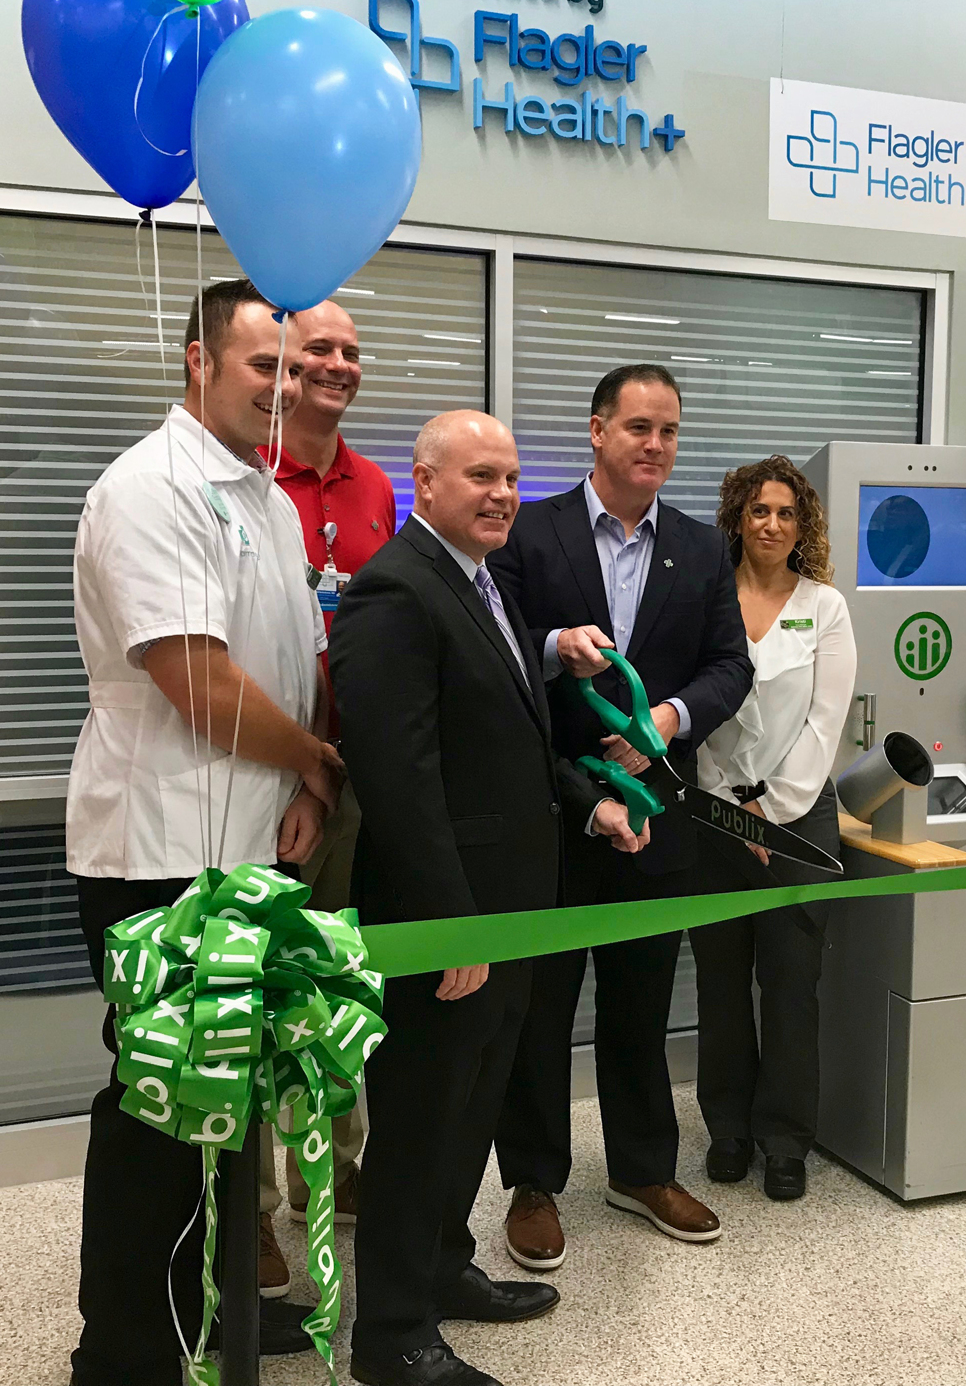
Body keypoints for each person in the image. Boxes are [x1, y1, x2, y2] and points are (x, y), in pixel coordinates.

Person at [328, 410, 650, 1386]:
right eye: (479, 477)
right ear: (423, 483)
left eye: (509, 478)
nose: (502, 494)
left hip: (515, 911)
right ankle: (390, 1336)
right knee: (420, 1122)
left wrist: (589, 807)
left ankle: (442, 1268)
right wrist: (448, 921)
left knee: (469, 1115)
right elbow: (397, 778)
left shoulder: (482, 587)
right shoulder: (394, 590)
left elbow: (512, 744)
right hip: (450, 922)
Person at [65, 278, 340, 1384]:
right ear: (196, 362)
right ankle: (126, 1351)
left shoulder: (265, 498)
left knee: (231, 1103)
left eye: (292, 367)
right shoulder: (151, 487)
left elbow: (287, 666)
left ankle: (215, 1310)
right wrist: (316, 762)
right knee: (157, 1108)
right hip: (159, 854)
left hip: (251, 846)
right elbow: (198, 680)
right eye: (260, 365)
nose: (282, 387)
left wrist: (308, 791)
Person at [489, 364, 753, 1268]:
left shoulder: (700, 547)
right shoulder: (530, 532)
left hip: (656, 818)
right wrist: (553, 648)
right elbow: (492, 655)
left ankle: (641, 1170)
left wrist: (668, 723)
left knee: (641, 1007)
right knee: (540, 1010)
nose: (655, 445)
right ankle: (532, 1181)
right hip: (553, 818)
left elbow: (731, 666)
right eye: (639, 427)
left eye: (670, 430)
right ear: (597, 431)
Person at [254, 296, 397, 1292]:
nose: (337, 366)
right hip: (248, 780)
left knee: (334, 989)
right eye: (318, 351)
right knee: (256, 1000)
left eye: (349, 351)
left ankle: (333, 1174)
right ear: (277, 366)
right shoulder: (241, 479)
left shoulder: (377, 485)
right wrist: (294, 761)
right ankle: (256, 1210)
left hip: (350, 780)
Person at [689, 456, 856, 1201]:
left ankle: (785, 1138)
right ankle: (727, 1128)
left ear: (802, 525)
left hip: (799, 819)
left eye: (786, 513)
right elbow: (690, 709)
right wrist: (729, 802)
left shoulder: (825, 607)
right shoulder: (706, 596)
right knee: (721, 980)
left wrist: (772, 807)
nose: (772, 525)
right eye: (759, 510)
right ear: (737, 517)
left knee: (791, 984)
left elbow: (825, 726)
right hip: (713, 811)